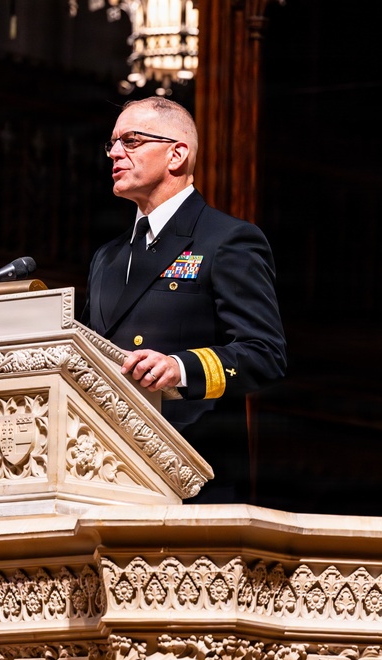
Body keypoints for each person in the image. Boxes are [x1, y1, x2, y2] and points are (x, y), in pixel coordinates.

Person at [81, 97, 286, 502]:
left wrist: (180, 367)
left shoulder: (226, 239)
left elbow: (264, 354)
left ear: (177, 154)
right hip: (106, 472)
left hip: (189, 476)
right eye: (112, 144)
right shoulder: (107, 256)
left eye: (132, 141)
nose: (115, 153)